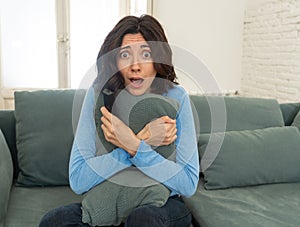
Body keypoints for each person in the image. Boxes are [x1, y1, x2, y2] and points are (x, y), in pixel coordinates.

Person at [39, 14, 199, 227]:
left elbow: (188, 183)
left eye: (146, 54)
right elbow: (78, 179)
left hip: (162, 204)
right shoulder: (98, 96)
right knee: (54, 222)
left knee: (143, 220)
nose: (135, 66)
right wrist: (138, 143)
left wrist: (134, 145)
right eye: (125, 54)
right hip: (108, 198)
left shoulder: (176, 97)